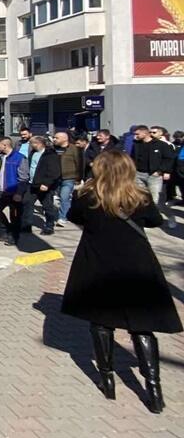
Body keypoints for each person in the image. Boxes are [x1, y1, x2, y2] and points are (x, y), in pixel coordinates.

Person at [61, 150, 182, 413]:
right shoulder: (139, 196)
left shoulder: (87, 195)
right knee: (141, 327)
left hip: (98, 262)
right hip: (136, 264)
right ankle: (154, 390)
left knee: (102, 321)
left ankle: (107, 380)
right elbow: (155, 221)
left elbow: (73, 217)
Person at [131, 124, 178, 229]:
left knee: (157, 202)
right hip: (139, 174)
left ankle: (170, 217)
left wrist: (163, 171)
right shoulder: (137, 144)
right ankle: (144, 220)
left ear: (145, 133)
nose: (135, 136)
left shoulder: (161, 145)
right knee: (140, 199)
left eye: (137, 134)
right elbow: (133, 157)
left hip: (154, 176)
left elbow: (169, 158)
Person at [0, 137, 26, 246]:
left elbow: (23, 178)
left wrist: (19, 193)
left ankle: (14, 236)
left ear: (5, 145)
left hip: (13, 191)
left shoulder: (19, 158)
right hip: (0, 190)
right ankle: (6, 228)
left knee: (15, 216)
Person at [24, 135, 61, 235]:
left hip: (44, 186)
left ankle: (49, 226)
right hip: (32, 184)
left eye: (33, 143)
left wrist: (46, 183)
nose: (31, 145)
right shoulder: (33, 153)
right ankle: (27, 225)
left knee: (47, 206)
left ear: (39, 143)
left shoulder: (50, 155)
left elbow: (54, 171)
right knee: (27, 203)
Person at [53, 130, 84, 227]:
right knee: (55, 198)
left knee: (64, 197)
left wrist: (79, 178)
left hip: (69, 178)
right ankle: (61, 213)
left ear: (64, 139)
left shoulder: (74, 149)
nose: (54, 139)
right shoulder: (53, 149)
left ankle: (62, 218)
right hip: (56, 178)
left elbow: (79, 163)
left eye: (56, 138)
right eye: (54, 137)